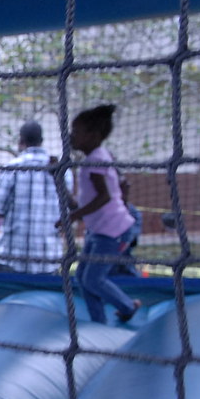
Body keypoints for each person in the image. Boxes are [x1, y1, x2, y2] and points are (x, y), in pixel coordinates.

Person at [61, 104, 141, 324]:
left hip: (113, 231)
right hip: (100, 231)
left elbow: (104, 197)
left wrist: (73, 216)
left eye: (76, 132)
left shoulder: (95, 160)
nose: (71, 136)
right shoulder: (98, 157)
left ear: (93, 136)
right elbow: (88, 200)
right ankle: (99, 321)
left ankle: (127, 306)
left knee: (93, 279)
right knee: (83, 277)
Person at [0, 121, 64, 275]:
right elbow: (65, 212)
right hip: (48, 260)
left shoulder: (11, 168)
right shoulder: (62, 169)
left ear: (21, 141)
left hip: (10, 257)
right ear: (42, 141)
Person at [109, 173, 143, 277]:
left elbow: (130, 240)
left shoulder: (133, 213)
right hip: (102, 267)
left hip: (124, 270)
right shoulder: (103, 211)